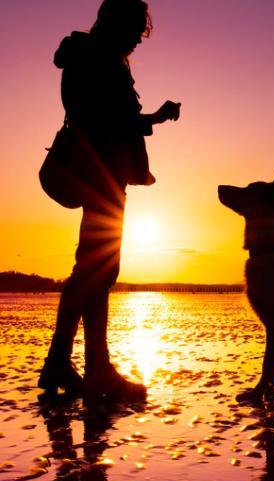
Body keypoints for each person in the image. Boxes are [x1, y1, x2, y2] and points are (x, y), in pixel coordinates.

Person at [38, 0, 181, 400]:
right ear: (115, 23)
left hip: (98, 173)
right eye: (136, 28)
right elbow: (104, 117)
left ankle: (70, 365)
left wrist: (149, 118)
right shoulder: (97, 58)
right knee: (95, 271)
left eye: (142, 30)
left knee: (94, 270)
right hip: (98, 173)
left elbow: (102, 114)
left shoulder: (89, 55)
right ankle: (81, 366)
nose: (139, 37)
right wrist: (153, 118)